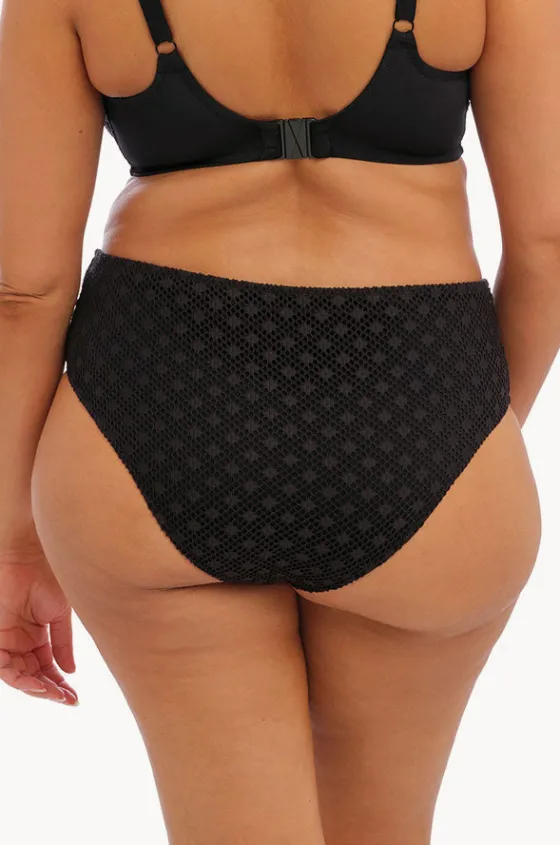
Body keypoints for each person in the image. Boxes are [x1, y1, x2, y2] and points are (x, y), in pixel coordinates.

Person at [0, 0, 554, 843]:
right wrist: (471, 433)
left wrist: (17, 536)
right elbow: (550, 242)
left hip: (154, 415)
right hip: (418, 402)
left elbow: (23, 292)